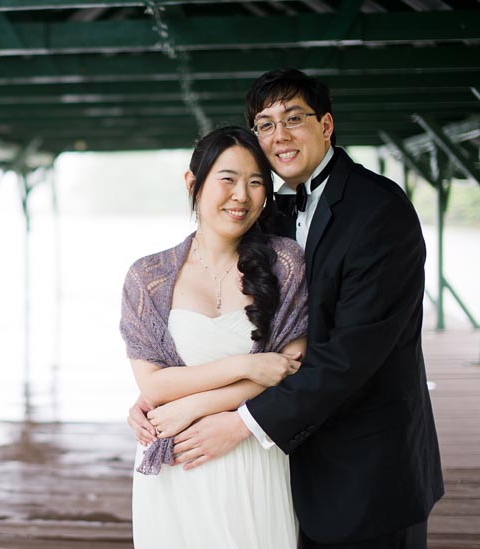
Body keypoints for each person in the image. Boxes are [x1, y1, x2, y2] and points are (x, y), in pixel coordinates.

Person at [128, 69, 444, 548]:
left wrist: (238, 421)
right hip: (283, 470)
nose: (280, 136)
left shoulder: (379, 210)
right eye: (266, 124)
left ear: (327, 126)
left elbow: (349, 356)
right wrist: (161, 397)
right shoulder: (263, 211)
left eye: (294, 118)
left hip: (365, 467)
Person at [120, 126, 310, 548]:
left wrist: (195, 404)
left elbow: (289, 368)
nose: (242, 195)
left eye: (256, 181)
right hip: (177, 461)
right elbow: (154, 384)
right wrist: (247, 365)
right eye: (228, 179)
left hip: (251, 451)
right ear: (193, 182)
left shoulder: (285, 264)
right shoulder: (147, 277)